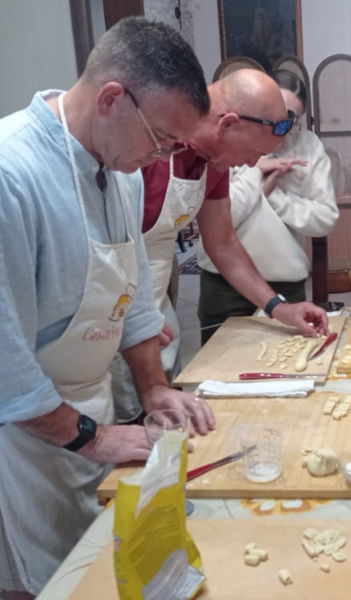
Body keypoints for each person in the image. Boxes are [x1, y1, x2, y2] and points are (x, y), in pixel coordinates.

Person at [0, 18, 216, 599]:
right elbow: (5, 365)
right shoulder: (10, 173)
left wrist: (154, 390)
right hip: (20, 439)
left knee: (97, 572)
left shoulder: (116, 170)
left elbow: (135, 302)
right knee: (38, 584)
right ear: (112, 99)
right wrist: (95, 439)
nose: (161, 158)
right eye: (162, 140)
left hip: (90, 412)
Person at [110, 67, 329, 419]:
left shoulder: (213, 161)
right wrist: (134, 320)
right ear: (227, 125)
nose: (252, 164)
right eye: (252, 152)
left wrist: (277, 306)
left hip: (154, 312)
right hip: (105, 312)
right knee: (112, 424)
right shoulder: (140, 150)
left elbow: (223, 243)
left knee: (158, 419)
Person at [196, 69, 339, 343]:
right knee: (219, 373)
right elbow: (220, 229)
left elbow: (324, 218)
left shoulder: (307, 146)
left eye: (291, 119)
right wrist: (257, 172)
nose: (283, 126)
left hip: (284, 279)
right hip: (221, 281)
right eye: (278, 115)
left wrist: (271, 195)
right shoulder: (223, 145)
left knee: (288, 373)